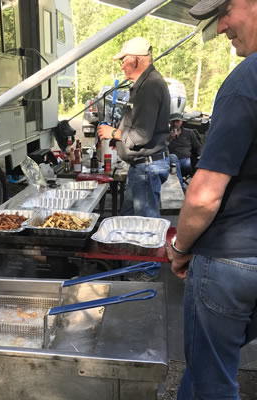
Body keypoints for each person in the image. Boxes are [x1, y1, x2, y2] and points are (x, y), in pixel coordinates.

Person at [168, 0, 257, 398]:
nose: (220, 27)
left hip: (231, 259)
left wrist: (180, 247)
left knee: (211, 381)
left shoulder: (246, 81)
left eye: (226, 10)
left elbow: (204, 195)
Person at [97, 37, 171, 219]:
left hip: (146, 168)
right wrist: (119, 141)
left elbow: (141, 135)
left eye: (123, 61)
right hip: (142, 167)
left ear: (135, 60)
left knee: (145, 227)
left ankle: (150, 249)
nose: (121, 66)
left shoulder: (150, 86)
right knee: (129, 220)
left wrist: (113, 133)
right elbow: (138, 125)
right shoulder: (146, 84)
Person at [168, 113, 202, 190]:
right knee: (173, 157)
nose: (175, 124)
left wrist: (200, 156)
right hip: (171, 162)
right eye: (173, 121)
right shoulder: (166, 134)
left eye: (177, 121)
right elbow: (162, 148)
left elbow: (198, 147)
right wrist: (169, 139)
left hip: (186, 161)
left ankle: (182, 187)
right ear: (170, 122)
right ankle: (180, 187)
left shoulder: (189, 132)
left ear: (181, 122)